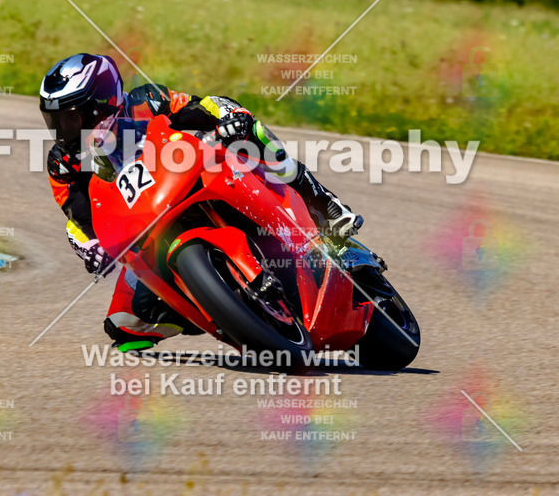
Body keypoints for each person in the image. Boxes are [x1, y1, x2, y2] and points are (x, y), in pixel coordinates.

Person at [40, 53, 364, 351]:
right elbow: (78, 217)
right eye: (53, 120)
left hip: (197, 177)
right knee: (124, 325)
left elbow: (204, 106)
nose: (61, 130)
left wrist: (228, 117)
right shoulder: (64, 161)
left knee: (251, 135)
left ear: (101, 102)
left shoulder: (146, 100)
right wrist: (90, 246)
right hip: (148, 225)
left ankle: (320, 200)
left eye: (70, 118)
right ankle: (211, 304)